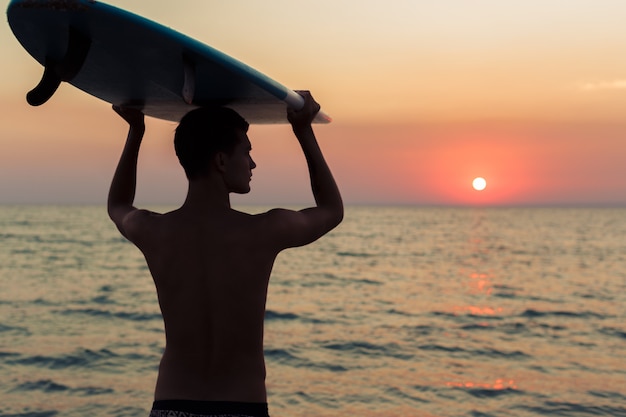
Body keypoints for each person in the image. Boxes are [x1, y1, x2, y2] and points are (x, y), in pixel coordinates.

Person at [107, 91, 343, 417]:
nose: (252, 163)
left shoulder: (153, 231)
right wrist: (303, 130)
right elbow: (332, 210)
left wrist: (136, 131)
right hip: (242, 407)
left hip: (171, 406)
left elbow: (116, 205)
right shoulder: (263, 231)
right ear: (220, 161)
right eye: (246, 152)